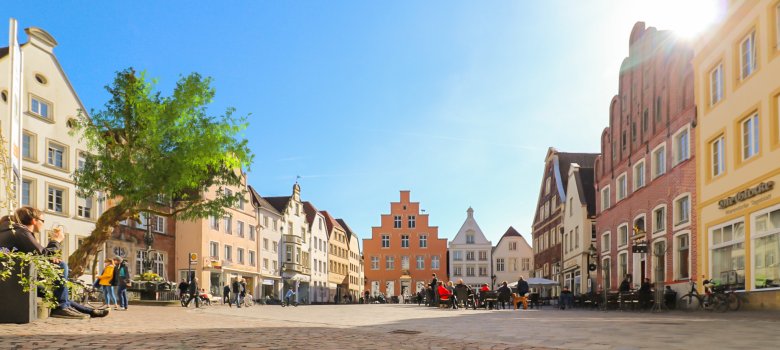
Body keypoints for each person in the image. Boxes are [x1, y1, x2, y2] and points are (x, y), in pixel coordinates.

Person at [0, 207, 108, 319]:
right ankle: (62, 308)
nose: (43, 224)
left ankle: (89, 311)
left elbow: (39, 255)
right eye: (43, 221)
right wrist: (56, 240)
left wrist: (49, 257)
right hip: (14, 279)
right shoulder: (21, 232)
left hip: (10, 277)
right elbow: (43, 254)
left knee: (55, 295)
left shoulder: (9, 231)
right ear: (34, 220)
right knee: (61, 266)